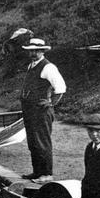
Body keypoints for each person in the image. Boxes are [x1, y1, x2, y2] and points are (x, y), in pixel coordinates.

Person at [20, 38, 66, 183]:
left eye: (36, 51)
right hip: (30, 110)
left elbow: (60, 88)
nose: (33, 53)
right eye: (31, 51)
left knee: (42, 142)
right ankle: (37, 171)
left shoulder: (48, 67)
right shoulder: (31, 66)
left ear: (43, 51)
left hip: (41, 111)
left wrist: (50, 102)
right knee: (33, 142)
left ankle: (47, 174)